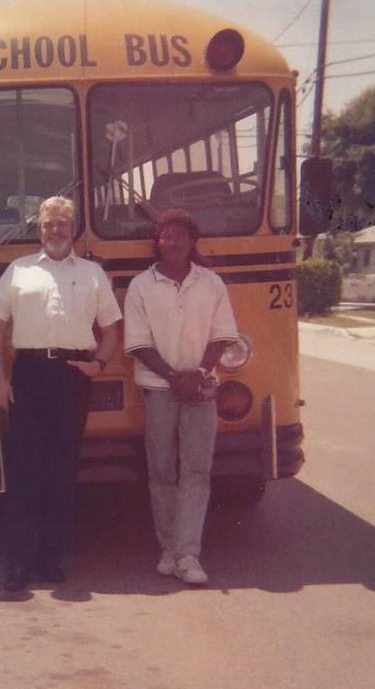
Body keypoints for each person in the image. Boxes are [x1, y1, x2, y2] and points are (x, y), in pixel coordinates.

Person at [0, 195, 122, 592]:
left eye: (62, 223)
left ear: (74, 228)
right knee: (23, 473)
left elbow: (112, 329)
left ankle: (50, 560)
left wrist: (97, 363)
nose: (55, 231)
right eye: (48, 224)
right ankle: (18, 564)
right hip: (27, 374)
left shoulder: (93, 274)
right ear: (39, 229)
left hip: (72, 376)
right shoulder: (19, 270)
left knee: (62, 473)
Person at [123, 208, 238, 585]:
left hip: (201, 388)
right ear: (157, 242)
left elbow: (223, 335)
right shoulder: (141, 285)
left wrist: (200, 374)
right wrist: (174, 377)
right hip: (159, 390)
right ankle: (168, 548)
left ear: (192, 243)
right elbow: (138, 343)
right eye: (164, 235)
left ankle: (188, 553)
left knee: (197, 471)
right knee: (161, 469)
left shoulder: (211, 283)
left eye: (178, 235)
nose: (170, 241)